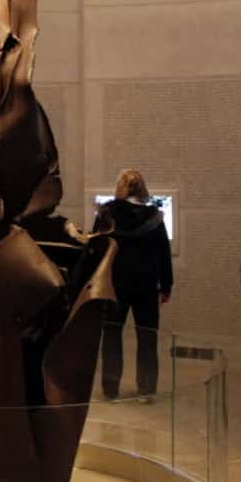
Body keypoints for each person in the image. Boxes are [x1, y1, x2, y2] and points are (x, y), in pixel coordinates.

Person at [94, 168, 171, 402]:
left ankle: (110, 390)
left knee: (112, 335)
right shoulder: (154, 217)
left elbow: (96, 250)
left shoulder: (106, 214)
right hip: (146, 284)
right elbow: (163, 254)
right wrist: (166, 285)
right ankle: (146, 390)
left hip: (114, 283)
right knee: (147, 337)